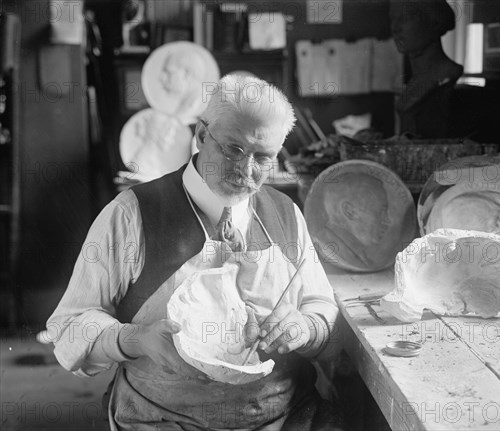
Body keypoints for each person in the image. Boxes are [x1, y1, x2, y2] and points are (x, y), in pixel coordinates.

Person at [44, 75, 344, 430]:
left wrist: (306, 327)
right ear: (202, 135)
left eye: (263, 158)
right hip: (162, 419)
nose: (246, 171)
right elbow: (69, 329)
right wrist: (134, 339)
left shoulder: (286, 214)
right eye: (233, 149)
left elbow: (322, 305)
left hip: (285, 416)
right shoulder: (131, 214)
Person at [390, 0, 463, 138]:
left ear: (434, 23)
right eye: (393, 19)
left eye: (406, 17)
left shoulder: (446, 76)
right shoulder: (416, 80)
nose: (396, 27)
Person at [313, 173, 392, 270]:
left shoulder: (355, 254)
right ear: (349, 211)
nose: (388, 221)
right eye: (381, 212)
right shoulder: (327, 248)